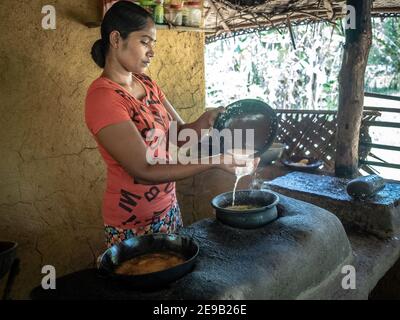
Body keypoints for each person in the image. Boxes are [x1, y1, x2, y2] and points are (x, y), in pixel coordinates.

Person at [85, 1, 259, 248]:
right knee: (144, 282)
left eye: (153, 43)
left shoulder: (148, 85)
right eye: (144, 41)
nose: (152, 51)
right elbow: (144, 170)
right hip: (132, 223)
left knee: (173, 281)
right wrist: (217, 160)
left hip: (168, 209)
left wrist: (206, 120)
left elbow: (178, 135)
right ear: (116, 39)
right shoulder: (103, 97)